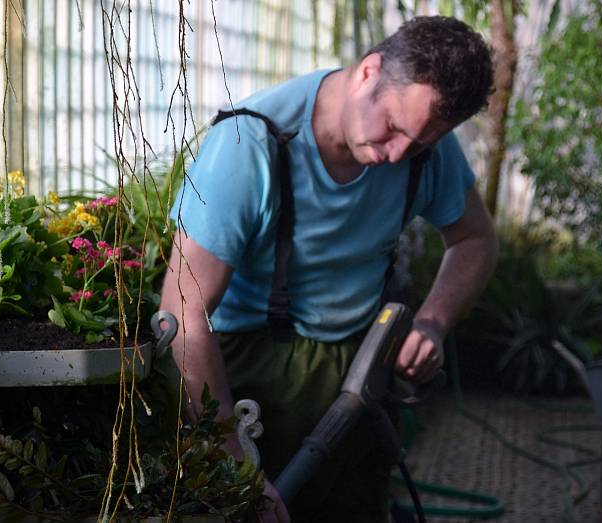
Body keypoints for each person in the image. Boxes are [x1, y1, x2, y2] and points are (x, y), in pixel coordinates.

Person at [159, 15, 498, 523]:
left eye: (420, 144)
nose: (398, 154)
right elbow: (181, 318)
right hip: (241, 377)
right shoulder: (249, 145)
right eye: (393, 128)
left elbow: (475, 239)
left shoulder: (424, 149)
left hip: (357, 372)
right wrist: (235, 467)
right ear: (369, 72)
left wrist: (432, 322)